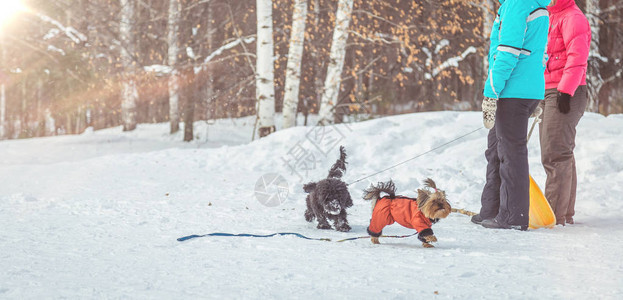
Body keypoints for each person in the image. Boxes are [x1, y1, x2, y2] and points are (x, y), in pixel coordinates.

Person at [472, 0, 552, 230]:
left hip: (512, 90)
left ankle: (513, 217)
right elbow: (541, 53)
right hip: (525, 89)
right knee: (496, 150)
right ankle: (491, 208)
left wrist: (491, 93)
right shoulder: (530, 4)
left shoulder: (518, 3)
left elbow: (507, 51)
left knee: (510, 153)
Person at [540, 0, 590, 226]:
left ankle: (552, 215)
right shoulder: (549, 15)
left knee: (555, 154)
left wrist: (565, 91)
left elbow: (577, 57)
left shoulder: (572, 16)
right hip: (551, 89)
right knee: (561, 152)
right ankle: (564, 213)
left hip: (566, 91)